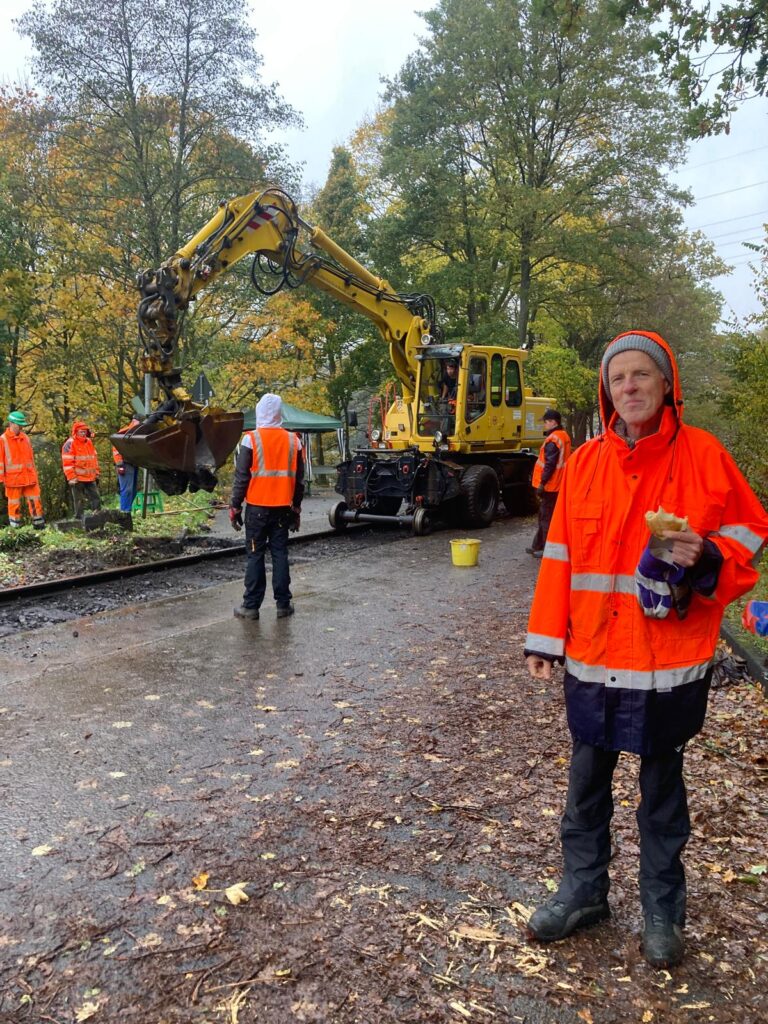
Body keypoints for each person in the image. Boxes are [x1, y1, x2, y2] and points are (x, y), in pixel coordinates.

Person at [523, 330, 768, 968]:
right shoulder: (583, 463)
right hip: (595, 656)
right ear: (607, 390)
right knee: (586, 784)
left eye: (641, 376)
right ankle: (583, 891)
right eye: (618, 378)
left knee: (662, 794)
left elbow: (750, 530)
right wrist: (545, 638)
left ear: (666, 385)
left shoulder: (704, 455)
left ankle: (663, 909)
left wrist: (709, 556)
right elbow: (560, 559)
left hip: (668, 662)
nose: (628, 388)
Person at [229, 393, 304, 620]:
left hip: (257, 510)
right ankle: (283, 605)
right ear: (279, 413)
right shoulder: (294, 440)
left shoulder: (251, 439)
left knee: (255, 555)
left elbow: (242, 477)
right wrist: (297, 509)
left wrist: (235, 506)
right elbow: (299, 480)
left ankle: (251, 607)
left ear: (260, 412)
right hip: (283, 508)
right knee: (280, 553)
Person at [526, 408, 571, 558]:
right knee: (544, 515)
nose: (544, 425)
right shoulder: (563, 436)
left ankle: (546, 549)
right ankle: (537, 545)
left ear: (553, 422)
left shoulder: (553, 439)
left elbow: (550, 464)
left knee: (546, 517)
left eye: (546, 422)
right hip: (557, 483)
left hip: (551, 485)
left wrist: (542, 483)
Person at [0, 411, 45, 529]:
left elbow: (31, 459)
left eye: (21, 424)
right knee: (14, 504)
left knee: (35, 500)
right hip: (13, 479)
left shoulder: (25, 438)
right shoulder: (3, 440)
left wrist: (35, 475)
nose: (21, 427)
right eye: (18, 424)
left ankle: (39, 525)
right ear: (11, 423)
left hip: (29, 477)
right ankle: (16, 529)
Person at [62, 419, 101, 518]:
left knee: (96, 498)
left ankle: (97, 516)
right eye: (81, 431)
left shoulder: (89, 442)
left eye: (85, 431)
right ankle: (79, 520)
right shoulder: (69, 444)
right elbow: (67, 462)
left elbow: (94, 458)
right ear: (76, 432)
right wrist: (71, 477)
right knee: (79, 500)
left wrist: (96, 472)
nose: (83, 434)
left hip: (90, 477)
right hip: (77, 478)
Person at [111, 416, 141, 513]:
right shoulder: (124, 432)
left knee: (133, 490)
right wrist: (119, 464)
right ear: (134, 421)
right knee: (127, 490)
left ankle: (127, 511)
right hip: (125, 464)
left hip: (134, 464)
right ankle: (124, 512)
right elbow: (115, 448)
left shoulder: (139, 433)